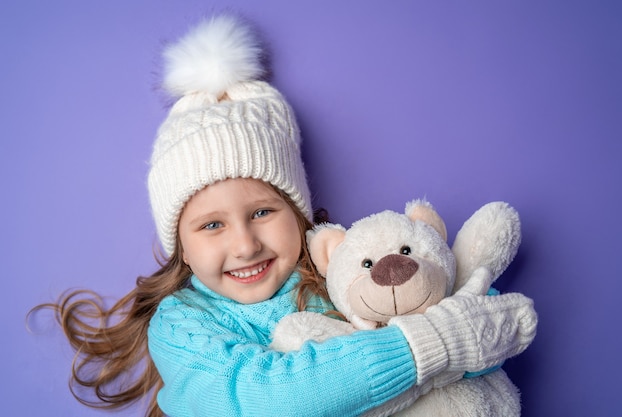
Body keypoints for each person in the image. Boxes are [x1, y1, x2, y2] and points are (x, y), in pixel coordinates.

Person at [36, 15, 537, 417]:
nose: (246, 244)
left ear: (297, 213)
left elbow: (468, 319)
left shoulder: (341, 274)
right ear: (180, 243)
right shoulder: (183, 324)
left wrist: (464, 327)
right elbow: (260, 400)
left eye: (261, 212)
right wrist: (433, 346)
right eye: (211, 225)